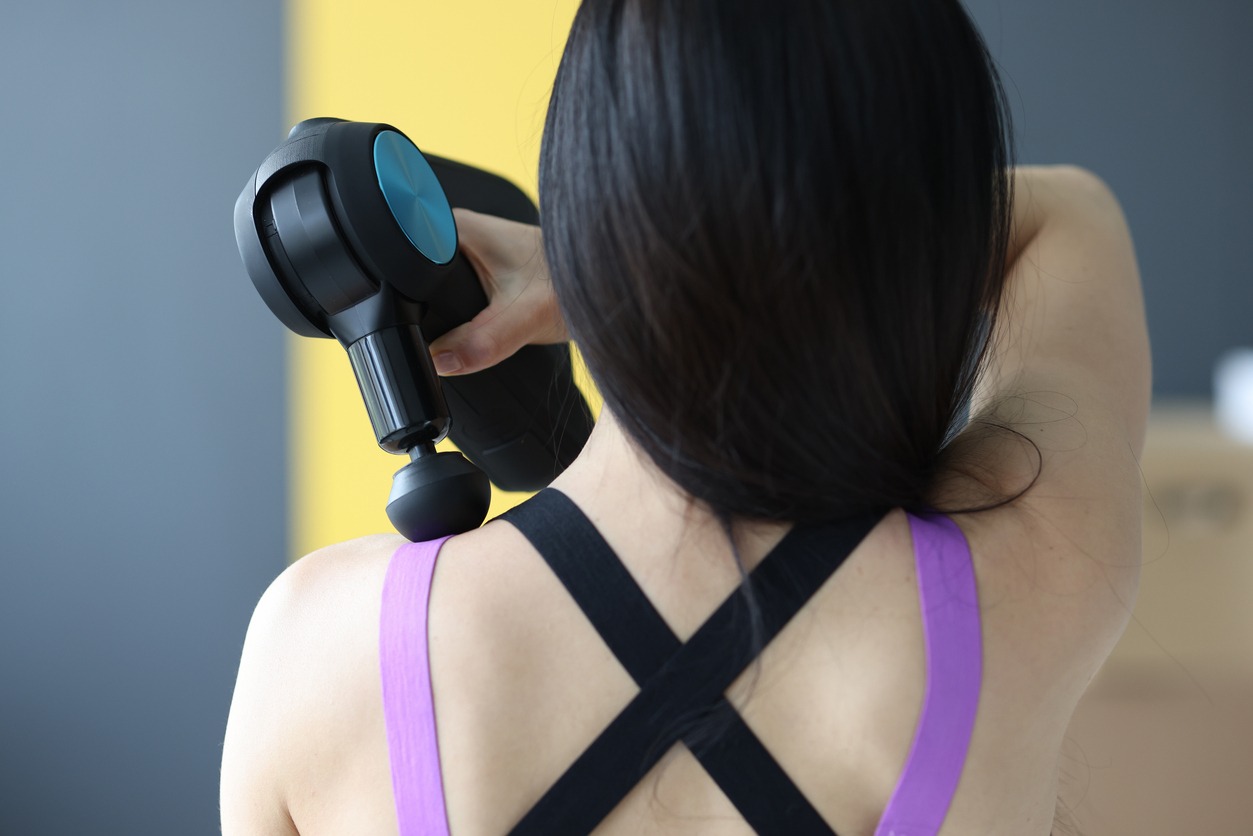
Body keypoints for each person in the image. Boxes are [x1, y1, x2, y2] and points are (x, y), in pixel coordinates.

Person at [220, 0, 1149, 833]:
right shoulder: (1020, 580)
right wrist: (653, 271)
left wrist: (614, 270)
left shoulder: (318, 661)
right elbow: (1073, 215)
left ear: (590, 185)